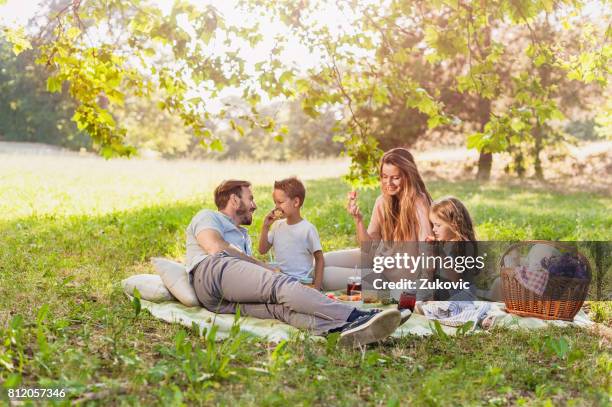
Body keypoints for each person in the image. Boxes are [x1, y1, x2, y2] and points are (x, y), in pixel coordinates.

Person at [185, 179, 401, 347]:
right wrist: (264, 267)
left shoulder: (242, 235)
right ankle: (356, 316)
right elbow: (214, 246)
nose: (255, 205)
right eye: (250, 198)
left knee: (281, 310)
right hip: (211, 272)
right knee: (280, 285)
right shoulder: (207, 216)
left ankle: (341, 330)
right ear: (234, 200)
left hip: (217, 300)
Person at [322, 148, 434, 290]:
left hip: (391, 282)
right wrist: (358, 220)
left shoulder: (420, 204)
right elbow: (367, 249)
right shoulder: (382, 201)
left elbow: (429, 257)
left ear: (408, 176)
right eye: (384, 176)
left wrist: (422, 288)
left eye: (395, 177)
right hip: (378, 262)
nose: (389, 183)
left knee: (325, 275)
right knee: (321, 261)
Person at [258, 177, 325, 290]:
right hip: (280, 281)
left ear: (296, 202)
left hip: (301, 283)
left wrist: (317, 288)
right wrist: (265, 227)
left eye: (280, 202)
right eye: (275, 202)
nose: (276, 207)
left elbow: (319, 259)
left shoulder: (307, 229)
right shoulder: (277, 226)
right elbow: (262, 250)